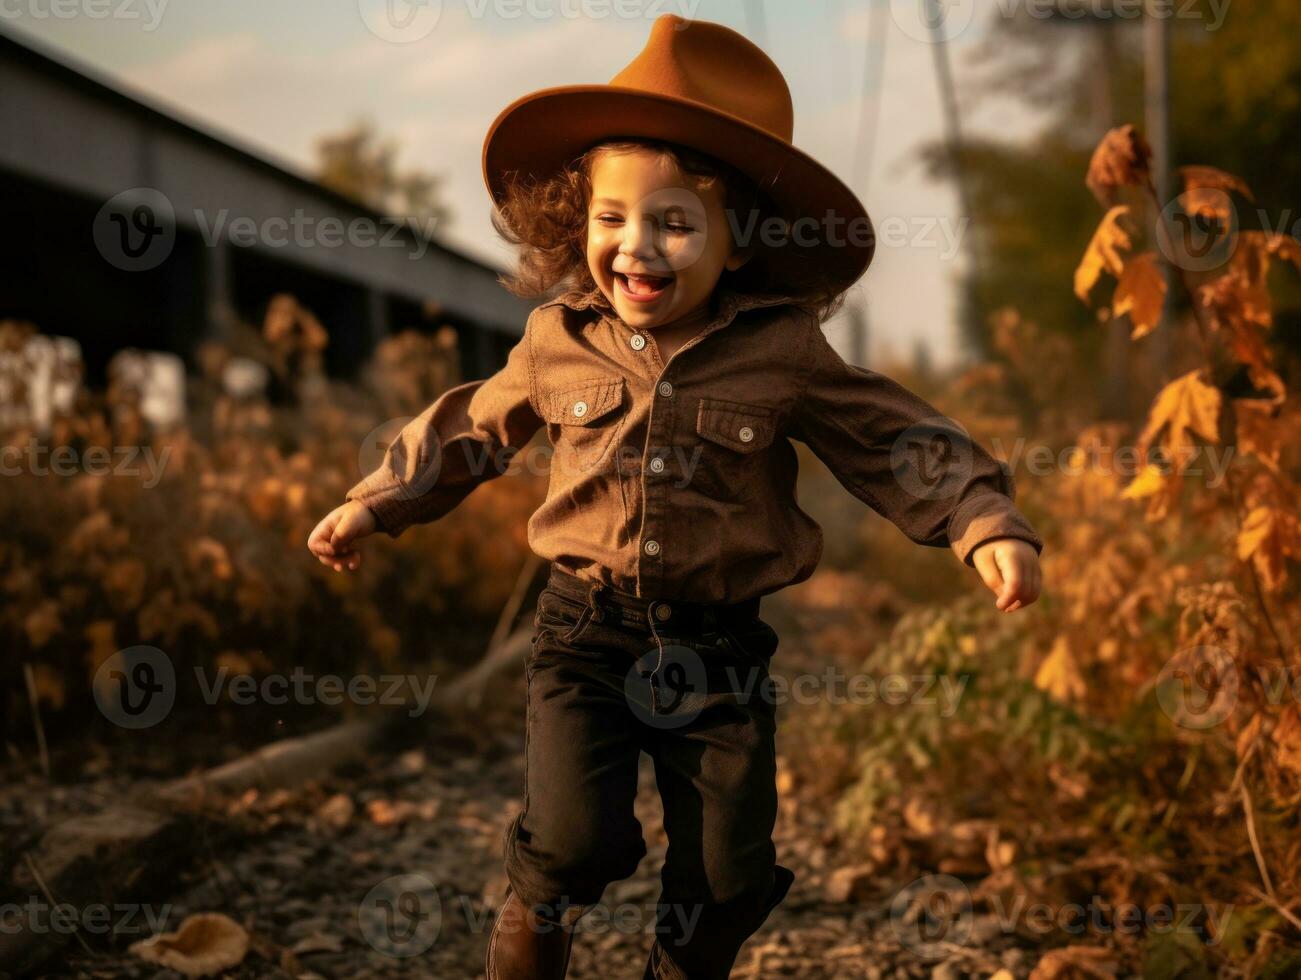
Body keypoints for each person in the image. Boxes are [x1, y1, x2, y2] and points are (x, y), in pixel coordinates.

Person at [307, 14, 1044, 979]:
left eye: (674, 222)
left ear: (736, 244)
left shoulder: (782, 351)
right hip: (583, 634)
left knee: (727, 877)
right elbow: (469, 428)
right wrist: (377, 500)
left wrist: (980, 518)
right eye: (611, 219)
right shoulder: (556, 338)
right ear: (580, 226)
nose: (636, 247)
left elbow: (888, 435)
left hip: (721, 647)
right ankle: (529, 938)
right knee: (570, 843)